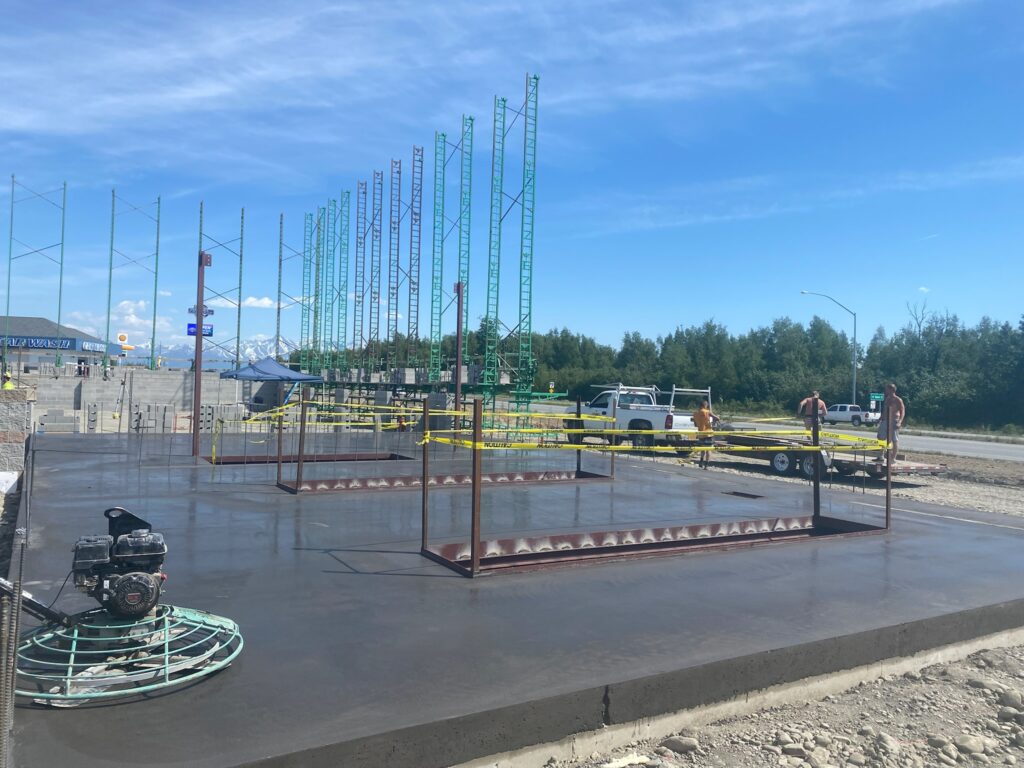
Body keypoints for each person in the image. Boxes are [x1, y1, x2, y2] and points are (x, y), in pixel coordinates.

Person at [876, 382, 906, 462]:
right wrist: (880, 419)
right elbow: (885, 410)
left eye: (887, 389)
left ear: (892, 390)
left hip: (894, 421)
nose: (885, 391)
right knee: (881, 437)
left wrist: (900, 421)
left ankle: (893, 458)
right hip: (885, 420)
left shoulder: (898, 400)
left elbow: (902, 411)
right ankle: (881, 456)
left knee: (894, 439)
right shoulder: (887, 399)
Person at [692, 399, 717, 469]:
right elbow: (716, 418)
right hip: (708, 433)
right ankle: (706, 465)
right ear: (705, 405)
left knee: (702, 448)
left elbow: (695, 425)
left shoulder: (695, 413)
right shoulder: (707, 412)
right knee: (708, 450)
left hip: (701, 433)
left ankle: (701, 461)